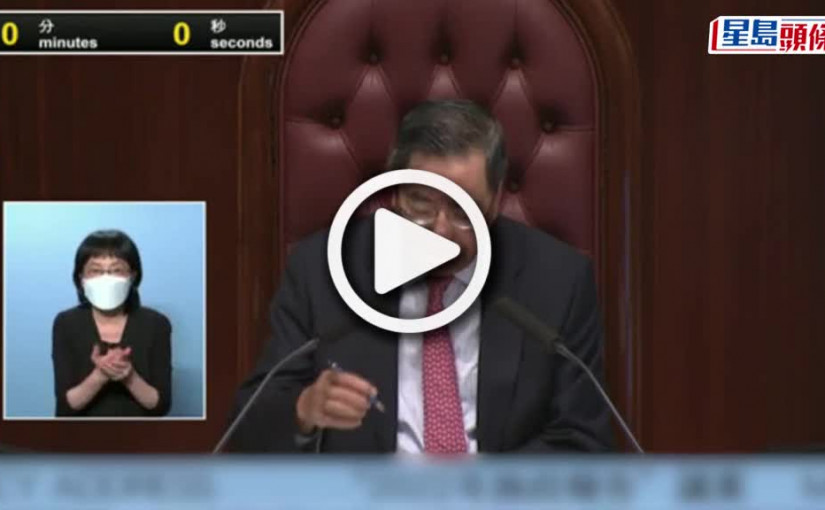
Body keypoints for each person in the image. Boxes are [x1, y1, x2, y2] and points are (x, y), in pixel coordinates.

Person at [229, 100, 612, 453]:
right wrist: (304, 410)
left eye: (463, 209)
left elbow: (582, 441)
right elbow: (249, 428)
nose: (439, 230)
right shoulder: (323, 270)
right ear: (395, 195)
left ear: (496, 201)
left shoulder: (557, 280)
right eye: (421, 202)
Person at [52, 229, 172, 417]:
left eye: (116, 270)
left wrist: (129, 376)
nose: (106, 278)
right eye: (95, 270)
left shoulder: (156, 324)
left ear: (132, 276)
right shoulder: (66, 323)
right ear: (81, 278)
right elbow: (67, 406)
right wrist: (100, 374)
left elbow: (160, 406)